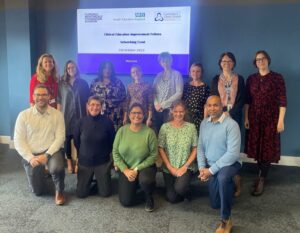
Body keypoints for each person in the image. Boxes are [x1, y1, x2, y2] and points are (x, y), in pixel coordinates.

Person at [14, 84, 66, 205]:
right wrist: (30, 157)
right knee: (38, 192)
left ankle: (60, 190)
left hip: (51, 152)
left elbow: (60, 138)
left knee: (57, 168)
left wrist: (47, 155)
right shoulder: (23, 115)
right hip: (32, 154)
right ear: (33, 96)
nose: (40, 97)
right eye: (38, 94)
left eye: (44, 94)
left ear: (49, 97)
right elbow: (18, 140)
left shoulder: (57, 115)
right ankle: (43, 174)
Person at [245, 50, 287, 196]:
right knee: (257, 148)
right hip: (255, 118)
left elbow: (282, 101)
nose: (260, 61)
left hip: (271, 119)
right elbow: (247, 101)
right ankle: (260, 175)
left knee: (267, 149)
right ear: (255, 63)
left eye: (262, 59)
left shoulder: (277, 78)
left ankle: (262, 179)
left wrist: (281, 121)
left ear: (268, 60)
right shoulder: (251, 79)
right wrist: (246, 118)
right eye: (257, 59)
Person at [197, 96, 241, 233]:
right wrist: (202, 168)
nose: (212, 108)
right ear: (206, 107)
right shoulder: (204, 123)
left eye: (215, 105)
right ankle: (234, 183)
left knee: (223, 178)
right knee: (215, 203)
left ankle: (226, 220)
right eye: (209, 105)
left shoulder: (231, 125)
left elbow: (233, 154)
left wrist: (211, 171)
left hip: (229, 164)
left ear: (221, 105)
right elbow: (200, 148)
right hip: (211, 166)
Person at [210, 52, 245, 197]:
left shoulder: (240, 79)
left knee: (232, 147)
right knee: (220, 145)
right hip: (219, 116)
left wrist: (231, 113)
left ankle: (235, 177)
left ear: (233, 63)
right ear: (220, 63)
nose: (226, 63)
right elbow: (213, 99)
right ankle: (222, 174)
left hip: (235, 116)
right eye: (224, 61)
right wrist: (221, 113)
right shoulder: (215, 79)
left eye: (229, 61)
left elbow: (242, 99)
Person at [113, 103, 157, 212]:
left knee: (146, 181)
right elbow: (115, 152)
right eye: (133, 113)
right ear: (128, 115)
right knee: (126, 202)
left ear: (144, 115)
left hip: (144, 168)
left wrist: (136, 169)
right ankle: (139, 190)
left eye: (139, 113)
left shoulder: (149, 133)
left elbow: (153, 155)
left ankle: (148, 195)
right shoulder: (122, 130)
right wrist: (125, 169)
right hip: (126, 169)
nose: (136, 115)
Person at [73, 96, 115, 198]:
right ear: (87, 106)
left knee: (105, 193)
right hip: (85, 162)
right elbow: (76, 142)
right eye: (92, 104)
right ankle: (89, 182)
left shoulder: (108, 122)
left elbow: (112, 141)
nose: (94, 107)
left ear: (101, 107)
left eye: (98, 105)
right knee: (81, 194)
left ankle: (101, 181)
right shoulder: (80, 122)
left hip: (102, 162)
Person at [158, 100, 198, 203]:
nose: (178, 114)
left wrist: (184, 167)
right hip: (169, 168)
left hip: (185, 167)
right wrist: (170, 167)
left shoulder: (191, 127)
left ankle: (185, 188)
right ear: (171, 111)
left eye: (181, 111)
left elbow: (195, 149)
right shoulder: (165, 127)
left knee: (180, 189)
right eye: (175, 111)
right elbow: (161, 148)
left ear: (185, 112)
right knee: (172, 199)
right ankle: (180, 187)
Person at [57, 60, 90, 173]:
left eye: (73, 67)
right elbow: (59, 101)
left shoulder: (83, 83)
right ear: (66, 70)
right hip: (66, 117)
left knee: (79, 140)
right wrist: (58, 116)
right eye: (69, 67)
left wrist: (88, 116)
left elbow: (87, 101)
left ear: (76, 68)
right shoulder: (61, 84)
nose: (71, 69)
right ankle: (69, 162)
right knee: (67, 140)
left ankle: (79, 162)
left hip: (80, 116)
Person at [152, 52, 183, 134]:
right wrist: (156, 104)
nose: (165, 63)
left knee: (168, 134)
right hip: (157, 110)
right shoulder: (158, 76)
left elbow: (179, 93)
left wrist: (162, 104)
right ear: (160, 63)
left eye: (167, 61)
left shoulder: (177, 75)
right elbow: (153, 92)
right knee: (157, 133)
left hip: (170, 111)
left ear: (171, 61)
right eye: (163, 61)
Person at [90, 61, 126, 130]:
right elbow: (90, 101)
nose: (107, 70)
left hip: (116, 117)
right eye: (105, 68)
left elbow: (124, 100)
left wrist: (125, 116)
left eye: (109, 68)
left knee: (114, 137)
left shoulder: (118, 82)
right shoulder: (95, 82)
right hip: (99, 115)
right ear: (101, 69)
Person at [182, 62, 210, 132]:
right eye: (193, 71)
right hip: (186, 117)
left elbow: (206, 105)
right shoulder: (185, 86)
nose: (195, 73)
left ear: (201, 73)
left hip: (199, 118)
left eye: (198, 71)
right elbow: (182, 102)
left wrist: (205, 121)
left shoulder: (206, 87)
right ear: (190, 72)